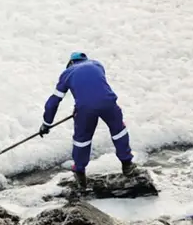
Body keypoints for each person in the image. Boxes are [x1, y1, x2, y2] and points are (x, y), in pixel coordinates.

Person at [40, 52, 137, 188]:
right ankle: (127, 164)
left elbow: (53, 102)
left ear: (71, 63)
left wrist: (46, 123)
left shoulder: (67, 73)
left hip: (85, 109)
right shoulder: (97, 65)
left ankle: (80, 173)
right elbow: (94, 89)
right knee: (118, 131)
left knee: (82, 141)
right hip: (108, 102)